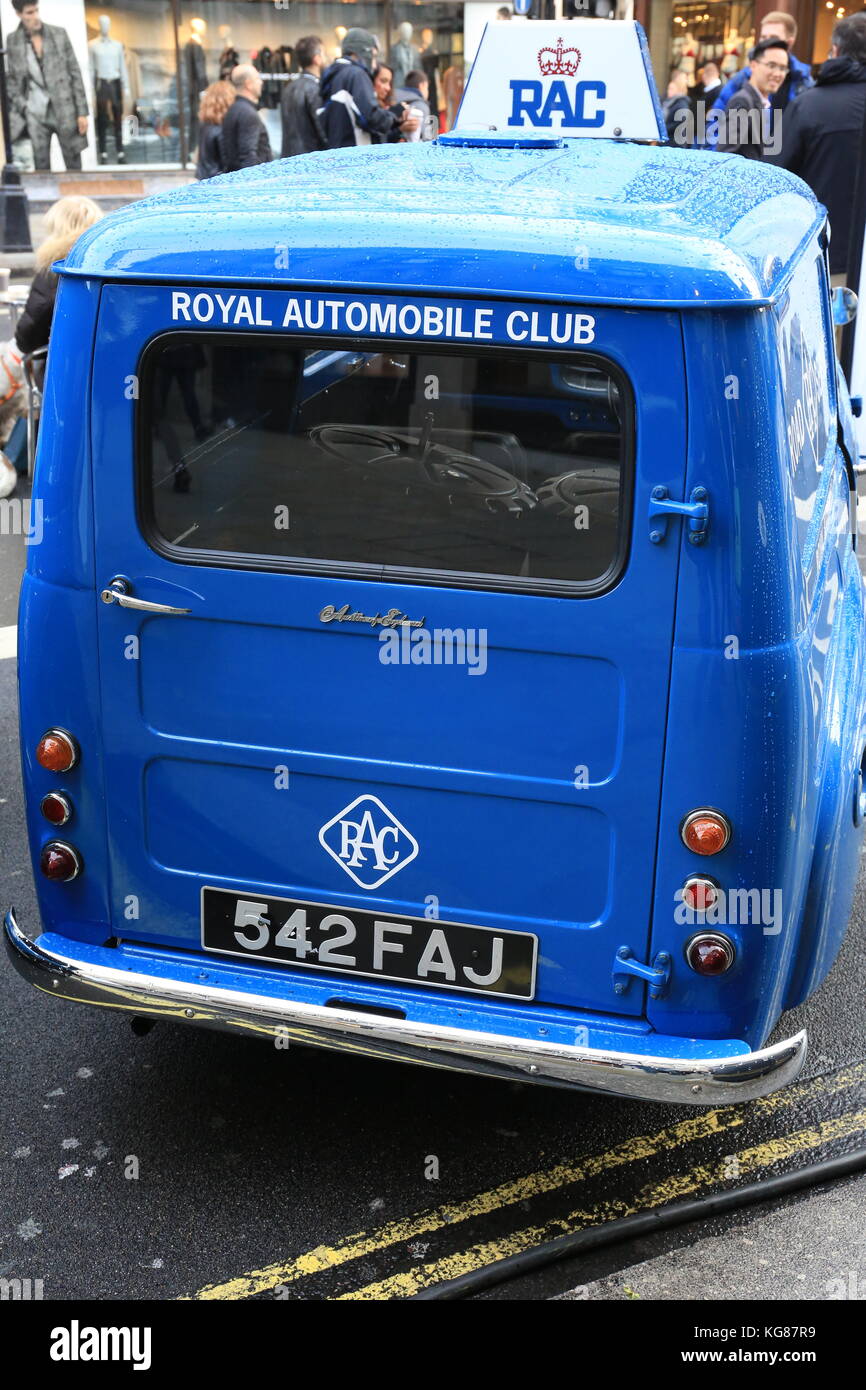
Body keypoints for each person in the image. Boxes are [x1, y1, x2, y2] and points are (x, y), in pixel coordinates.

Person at [0, 196, 103, 496]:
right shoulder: (102, 257)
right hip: (100, 364)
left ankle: (23, 462)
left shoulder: (54, 266)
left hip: (62, 369)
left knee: (19, 366)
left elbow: (27, 335)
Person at [777, 14, 866, 289]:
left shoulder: (807, 106)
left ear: (836, 51)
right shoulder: (807, 104)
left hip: (821, 263)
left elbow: (774, 177)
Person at [6, 0, 90, 171]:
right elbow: (11, 80)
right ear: (19, 14)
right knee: (41, 168)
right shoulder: (12, 40)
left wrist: (82, 112)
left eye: (37, 10)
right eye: (30, 13)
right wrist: (24, 107)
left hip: (65, 109)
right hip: (35, 114)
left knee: (74, 165)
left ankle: (78, 198)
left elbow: (75, 72)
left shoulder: (58, 33)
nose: (36, 16)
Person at [319, 28, 420, 148]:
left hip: (336, 151)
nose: (374, 64)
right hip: (355, 154)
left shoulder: (333, 74)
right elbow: (371, 118)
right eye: (374, 56)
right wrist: (395, 113)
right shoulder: (356, 74)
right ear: (364, 51)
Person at [712, 11, 812, 116]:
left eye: (773, 38)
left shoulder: (803, 80)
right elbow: (716, 120)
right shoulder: (743, 78)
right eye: (763, 37)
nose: (766, 43)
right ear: (754, 66)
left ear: (789, 43)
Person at [716, 37, 789, 160]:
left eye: (782, 68)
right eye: (771, 65)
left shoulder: (764, 103)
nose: (777, 74)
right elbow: (726, 156)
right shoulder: (742, 101)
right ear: (753, 65)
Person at [219, 64, 272, 171]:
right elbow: (248, 156)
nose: (261, 82)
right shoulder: (248, 113)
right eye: (257, 78)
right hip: (253, 180)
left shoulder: (233, 109)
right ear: (248, 84)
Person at [281, 35, 328, 157]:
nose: (326, 58)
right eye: (324, 54)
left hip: (289, 158)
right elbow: (323, 130)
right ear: (317, 59)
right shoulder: (315, 89)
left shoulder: (289, 88)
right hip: (311, 160)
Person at [195, 80, 235, 179]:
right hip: (217, 180)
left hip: (203, 177)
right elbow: (227, 162)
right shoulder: (221, 129)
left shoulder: (205, 125)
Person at [395, 69, 434, 141]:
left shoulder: (393, 99)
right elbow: (426, 139)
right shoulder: (421, 105)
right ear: (422, 85)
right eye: (427, 88)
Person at [663, 71, 691, 142]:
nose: (668, 91)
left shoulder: (682, 104)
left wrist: (663, 129)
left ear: (677, 90)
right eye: (668, 88)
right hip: (668, 140)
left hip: (676, 142)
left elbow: (679, 123)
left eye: (671, 89)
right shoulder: (668, 102)